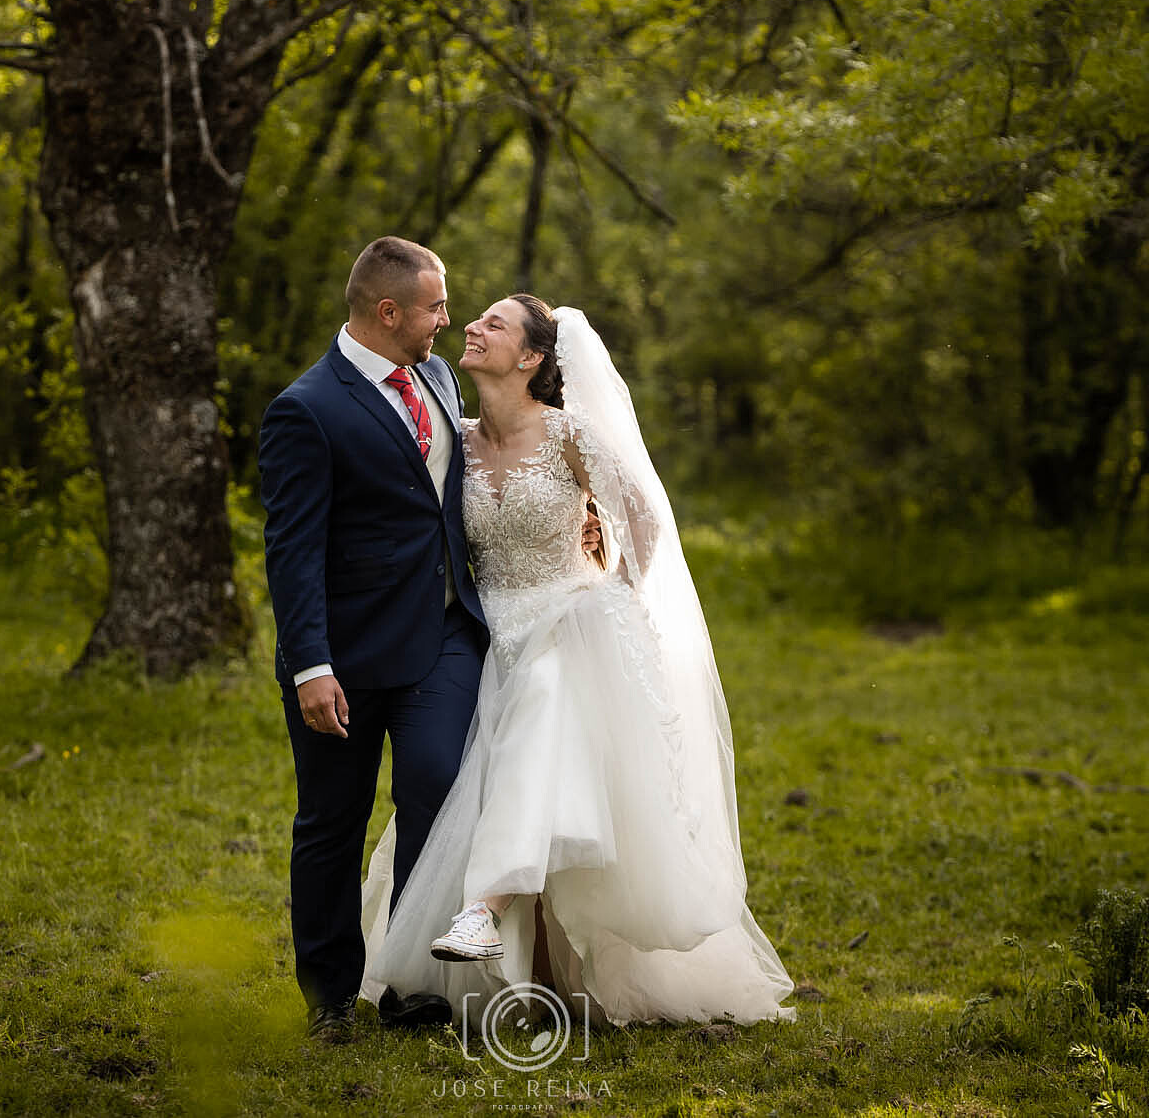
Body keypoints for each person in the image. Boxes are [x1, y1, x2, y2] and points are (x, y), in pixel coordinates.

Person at [358, 295, 794, 1028]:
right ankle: (540, 979)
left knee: (546, 697)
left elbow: (645, 521)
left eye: (494, 324)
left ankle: (482, 907)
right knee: (500, 773)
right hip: (488, 634)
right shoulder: (455, 439)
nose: (474, 326)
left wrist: (610, 601)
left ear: (531, 358)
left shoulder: (568, 433)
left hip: (568, 621)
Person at [258, 237, 490, 1043]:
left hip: (441, 634)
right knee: (333, 817)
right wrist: (312, 666)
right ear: (388, 312)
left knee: (437, 782)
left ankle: (406, 980)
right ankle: (329, 993)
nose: (447, 320)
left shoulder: (434, 373)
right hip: (343, 657)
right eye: (435, 306)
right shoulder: (306, 409)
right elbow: (291, 551)